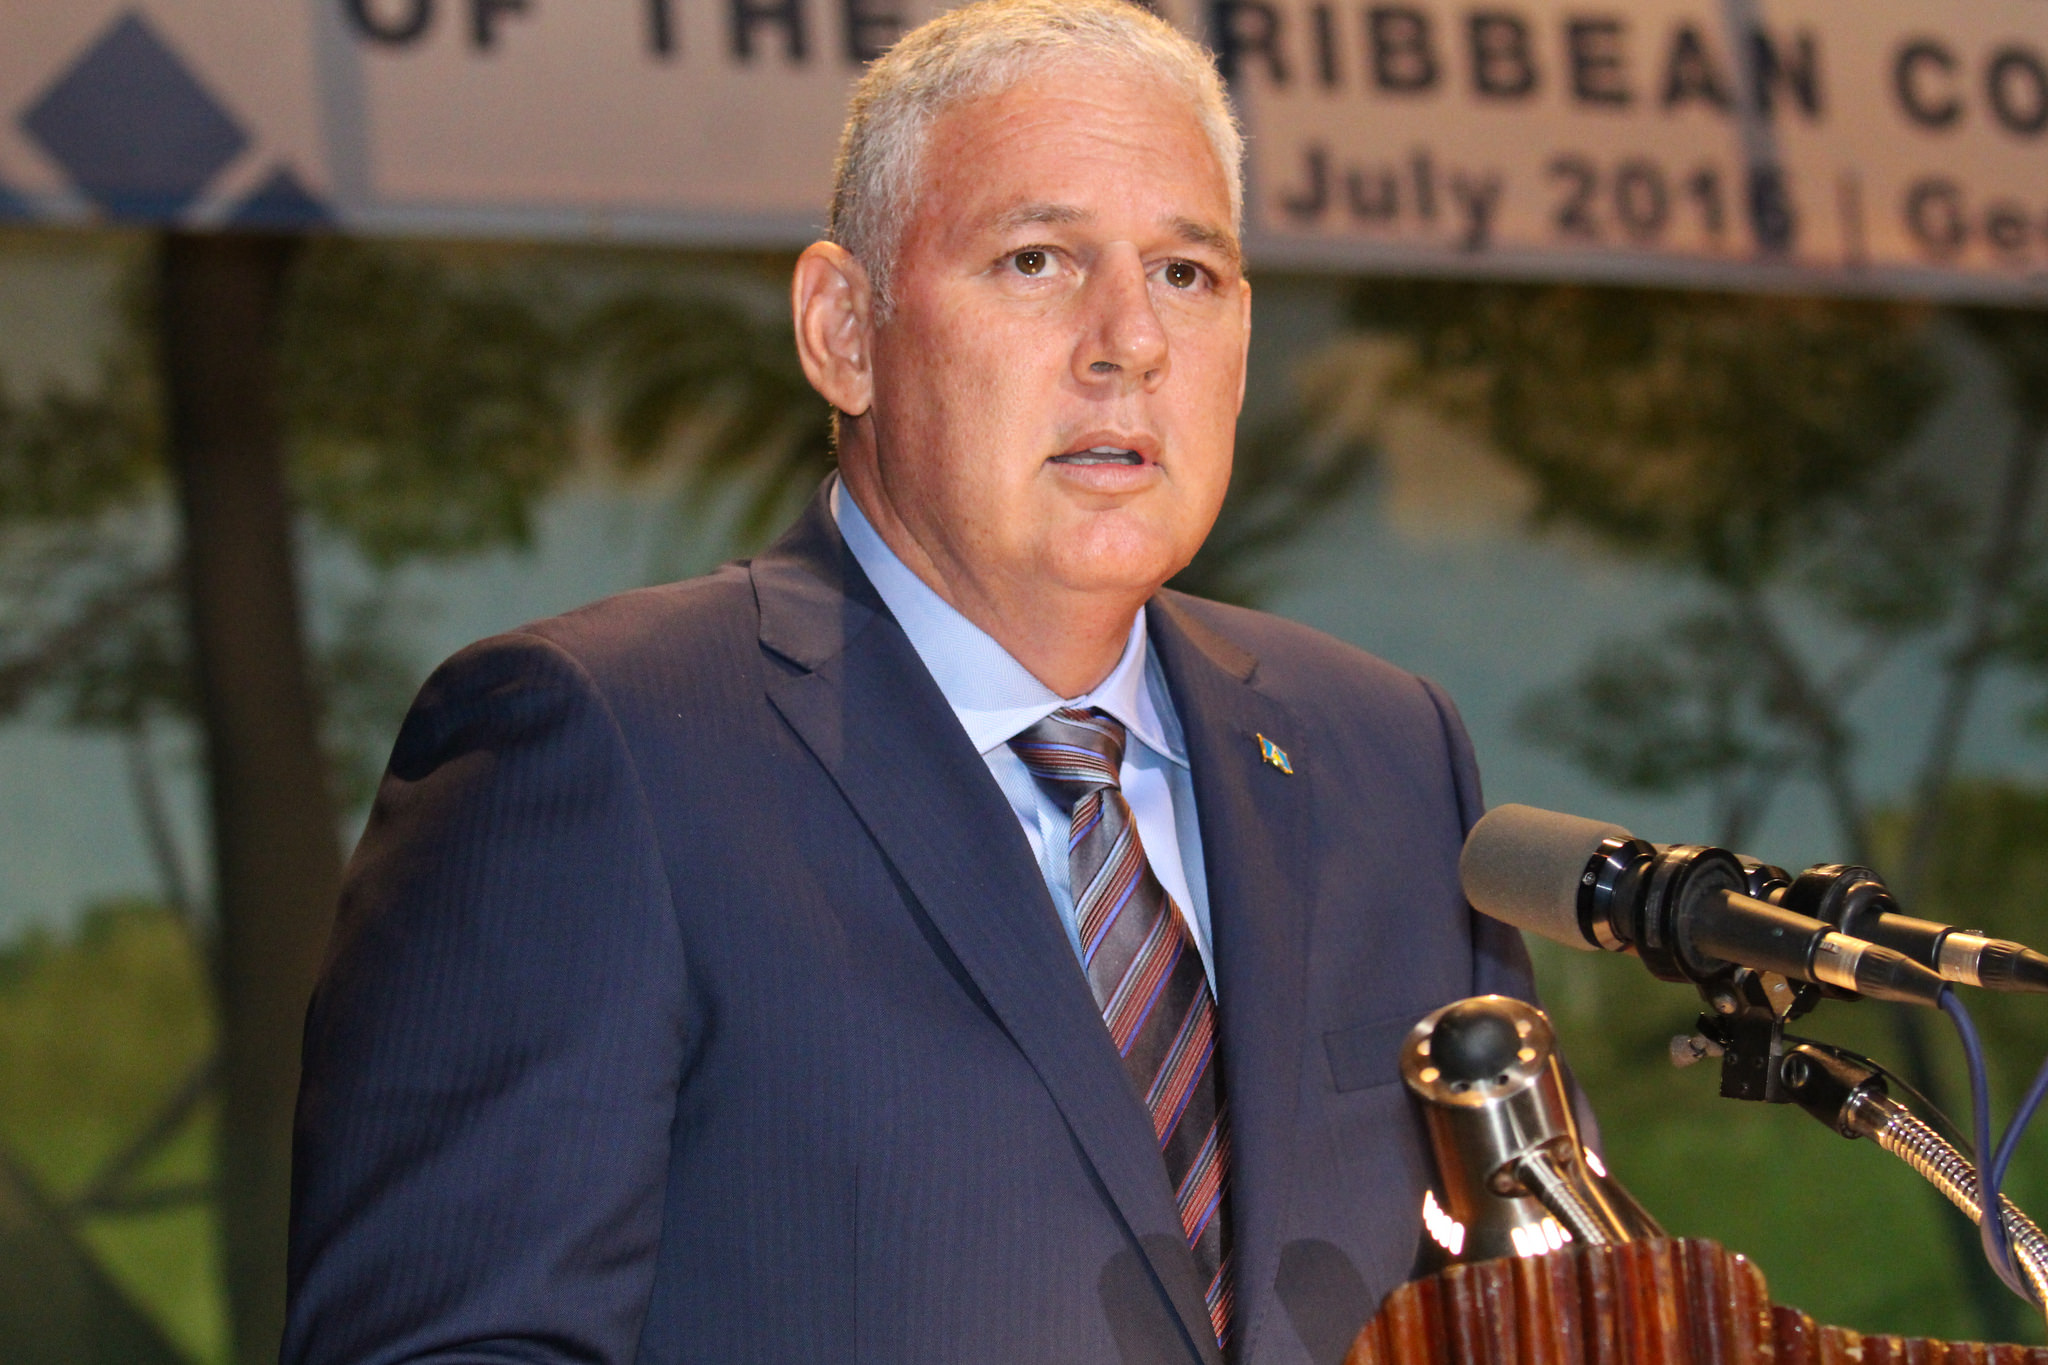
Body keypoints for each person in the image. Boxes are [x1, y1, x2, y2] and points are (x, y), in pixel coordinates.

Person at [282, 2, 1535, 1362]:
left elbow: (1515, 1294)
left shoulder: (1386, 755)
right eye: (1037, 258)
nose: (1131, 343)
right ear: (843, 329)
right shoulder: (599, 747)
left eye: (1187, 273)